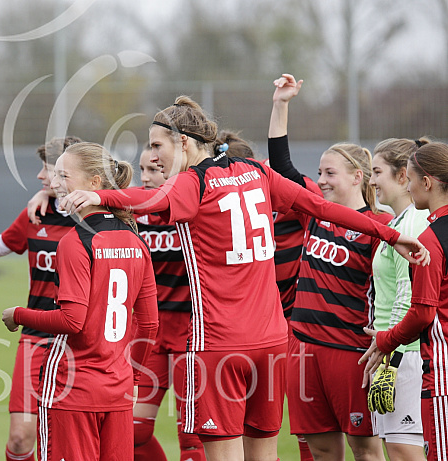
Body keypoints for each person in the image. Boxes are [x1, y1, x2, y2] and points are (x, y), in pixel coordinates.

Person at [58, 96, 427, 461]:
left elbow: (148, 199)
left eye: (157, 145)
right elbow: (322, 207)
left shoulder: (193, 182)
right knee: (264, 455)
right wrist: (391, 235)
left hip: (219, 346)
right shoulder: (256, 171)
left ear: (183, 142)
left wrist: (100, 195)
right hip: (270, 345)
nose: (153, 156)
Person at [2, 142, 159, 461]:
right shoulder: (135, 239)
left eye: (63, 175)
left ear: (94, 185)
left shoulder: (75, 242)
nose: (54, 183)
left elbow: (72, 321)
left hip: (70, 388)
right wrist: (134, 378)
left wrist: (18, 314)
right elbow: (150, 323)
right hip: (118, 388)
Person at [268, 73, 391, 461]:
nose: (320, 181)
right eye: (319, 173)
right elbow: (282, 165)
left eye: (329, 174)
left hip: (349, 350)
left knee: (366, 450)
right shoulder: (314, 214)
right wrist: (280, 104)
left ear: (358, 176)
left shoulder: (381, 227)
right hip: (302, 346)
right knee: (321, 450)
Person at [0, 136, 80, 461]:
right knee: (20, 438)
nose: (40, 177)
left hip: (78, 340)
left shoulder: (99, 215)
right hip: (36, 336)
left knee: (68, 439)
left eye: (47, 170)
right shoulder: (38, 212)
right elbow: (3, 244)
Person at [360, 141, 448, 461]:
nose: (372, 181)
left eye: (377, 172)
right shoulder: (401, 224)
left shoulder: (418, 227)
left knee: (409, 452)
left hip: (414, 356)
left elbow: (415, 301)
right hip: (405, 351)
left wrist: (388, 347)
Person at [133, 144, 205, 461]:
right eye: (143, 170)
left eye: (155, 170)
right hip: (150, 334)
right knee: (134, 431)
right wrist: (46, 197)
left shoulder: (196, 206)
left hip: (192, 335)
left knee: (192, 437)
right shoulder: (130, 211)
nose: (146, 178)